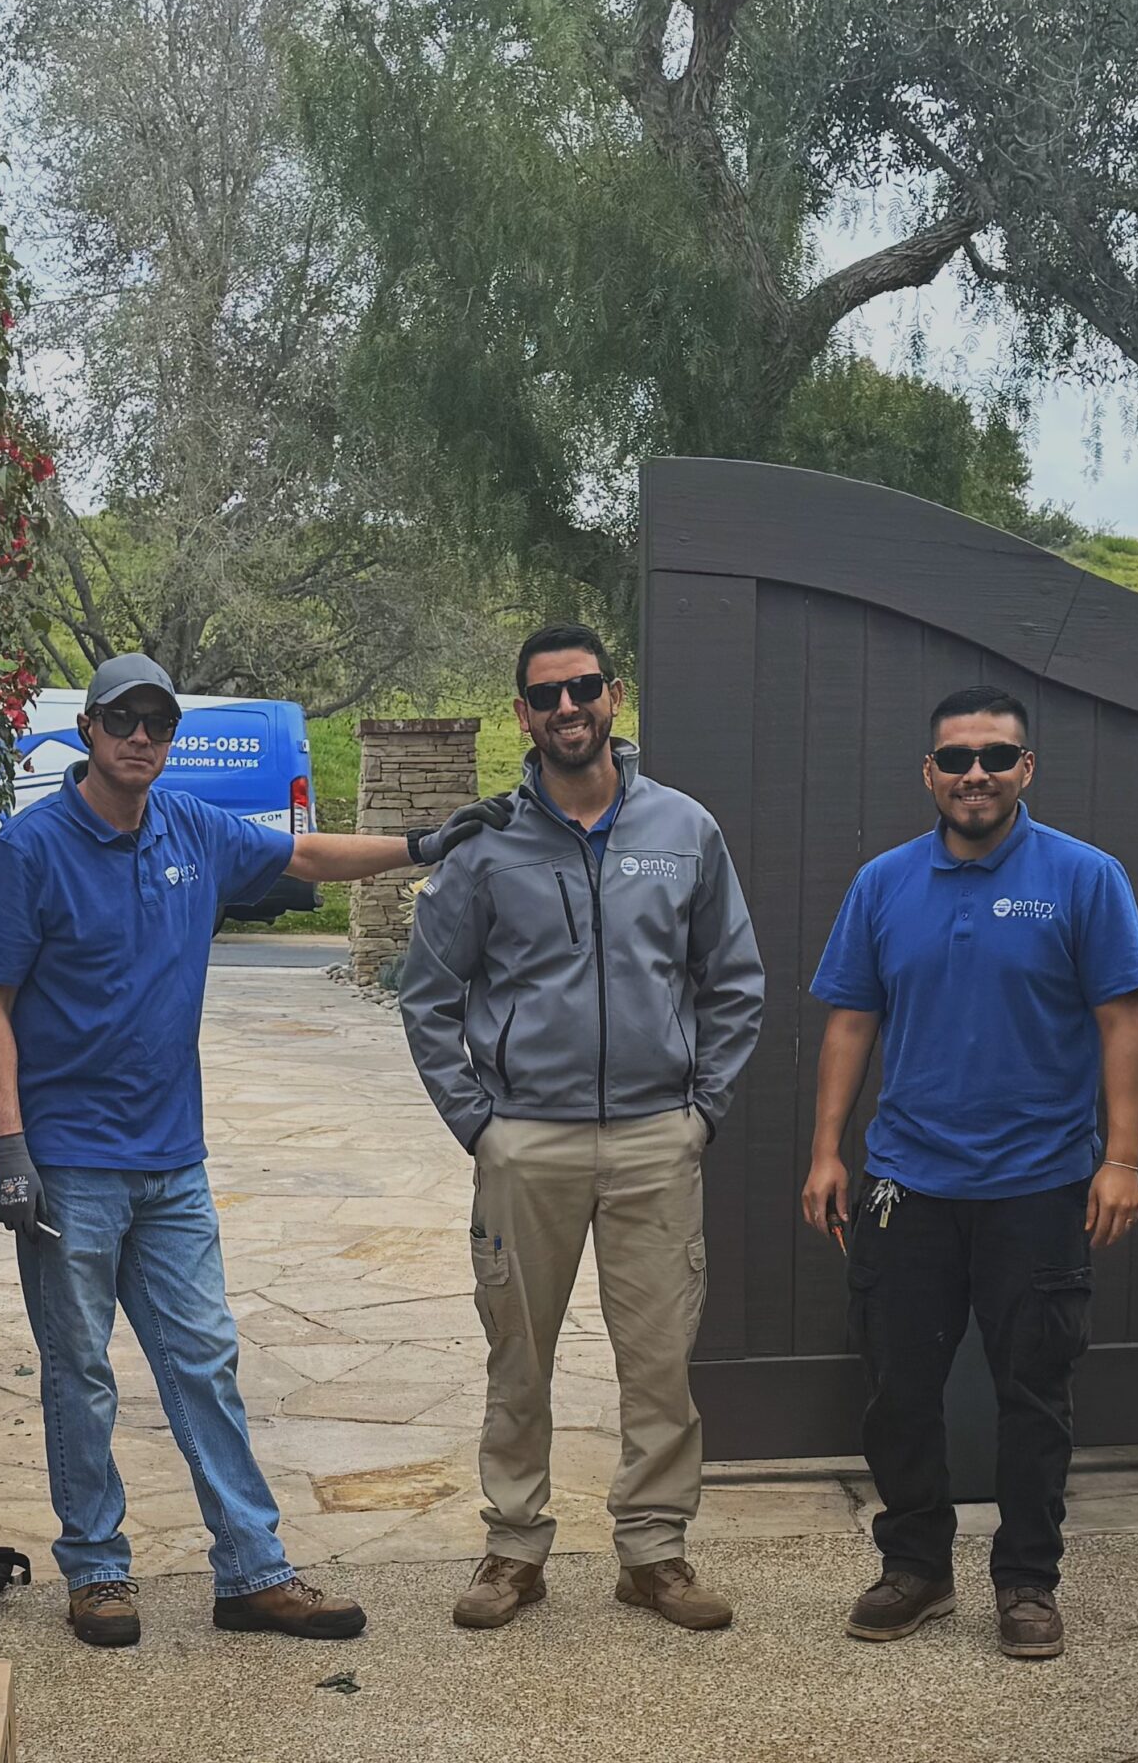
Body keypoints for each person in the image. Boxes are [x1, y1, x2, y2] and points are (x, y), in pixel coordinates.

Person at [0, 652, 512, 1648]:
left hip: (171, 1158)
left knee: (205, 1359)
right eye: (124, 718)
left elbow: (304, 857)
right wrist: (10, 1147)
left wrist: (422, 841)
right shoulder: (28, 849)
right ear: (89, 729)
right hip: (70, 1162)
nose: (142, 736)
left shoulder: (191, 828)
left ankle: (251, 1569)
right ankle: (96, 1569)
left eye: (158, 721)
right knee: (79, 1367)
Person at [399, 623, 764, 1632]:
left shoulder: (683, 829)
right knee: (518, 1358)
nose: (567, 708)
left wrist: (702, 1112)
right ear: (522, 712)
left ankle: (653, 1551)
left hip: (656, 1139)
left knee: (659, 1360)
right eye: (546, 695)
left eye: (584, 688)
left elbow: (732, 980)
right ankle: (513, 1547)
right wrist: (480, 1124)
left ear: (614, 696)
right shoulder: (487, 844)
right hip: (527, 1143)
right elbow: (426, 993)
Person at [799, 684, 1138, 1661]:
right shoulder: (882, 883)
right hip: (905, 1182)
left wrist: (1118, 1159)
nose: (975, 774)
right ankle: (914, 1567)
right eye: (955, 757)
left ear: (1024, 768)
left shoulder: (1084, 878)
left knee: (1032, 1393)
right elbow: (849, 1020)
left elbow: (1122, 1022)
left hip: (1038, 1186)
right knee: (898, 1390)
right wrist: (829, 1148)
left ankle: (1026, 1581)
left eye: (996, 756)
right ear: (929, 772)